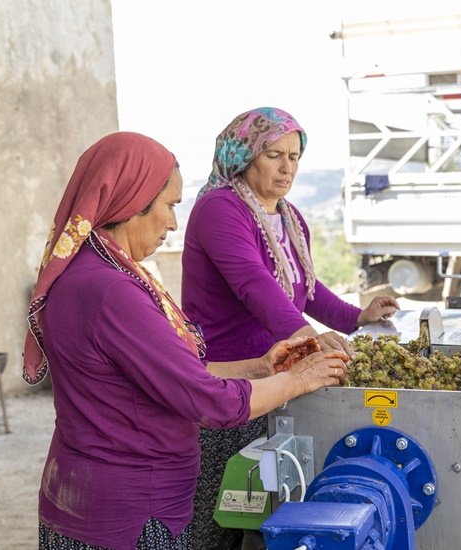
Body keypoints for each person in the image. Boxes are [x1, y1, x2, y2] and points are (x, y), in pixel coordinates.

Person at [24, 132, 350, 550]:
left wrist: (261, 367)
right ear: (131, 200)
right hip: (127, 516)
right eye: (170, 205)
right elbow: (207, 400)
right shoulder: (111, 292)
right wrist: (302, 379)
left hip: (82, 501)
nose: (174, 222)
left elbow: (162, 374)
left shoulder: (90, 272)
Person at [181, 107, 400, 549]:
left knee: (273, 512)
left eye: (295, 157)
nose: (287, 168)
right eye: (274, 155)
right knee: (219, 515)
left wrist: (358, 317)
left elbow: (306, 290)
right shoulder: (220, 208)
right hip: (230, 384)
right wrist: (308, 338)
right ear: (245, 156)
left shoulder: (289, 217)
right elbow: (253, 284)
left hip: (277, 381)